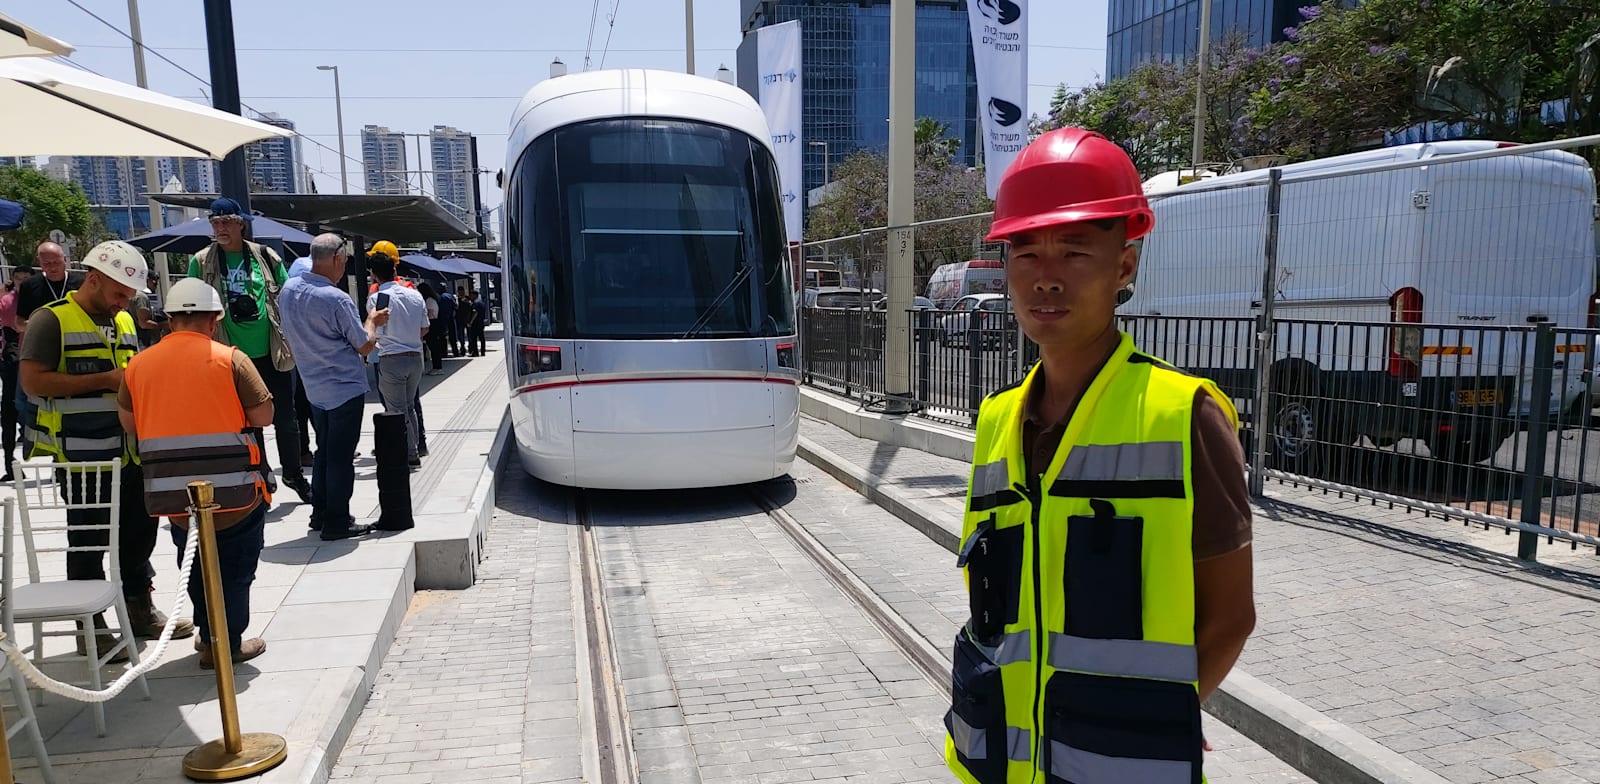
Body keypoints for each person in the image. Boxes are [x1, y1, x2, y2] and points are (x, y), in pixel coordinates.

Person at [942, 128, 1255, 784]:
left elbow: (1229, 618)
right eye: (1025, 252)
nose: (1046, 278)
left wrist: (1158, 719)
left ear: (1125, 265)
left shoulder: (1186, 417)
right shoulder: (998, 420)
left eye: (1075, 251)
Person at [20, 240, 196, 653]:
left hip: (131, 451)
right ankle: (90, 627)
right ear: (94, 280)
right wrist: (102, 380)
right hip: (82, 456)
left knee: (138, 534)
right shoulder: (52, 321)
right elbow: (33, 382)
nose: (124, 302)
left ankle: (139, 609)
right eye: (119, 293)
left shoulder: (126, 321)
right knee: (89, 539)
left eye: (130, 296)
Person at [118, 278, 273, 667]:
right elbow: (264, 415)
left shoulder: (137, 365)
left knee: (196, 565)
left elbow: (130, 424)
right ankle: (227, 645)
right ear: (215, 318)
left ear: (169, 320)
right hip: (235, 493)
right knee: (235, 571)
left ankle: (209, 634)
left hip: (174, 497)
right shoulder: (231, 359)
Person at [186, 197, 311, 505]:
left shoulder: (265, 257)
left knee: (286, 417)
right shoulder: (200, 261)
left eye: (226, 222)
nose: (220, 228)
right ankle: (261, 474)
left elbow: (288, 299)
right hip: (228, 356)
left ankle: (293, 473)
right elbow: (190, 307)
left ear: (240, 224)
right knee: (245, 421)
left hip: (272, 352)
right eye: (215, 223)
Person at [277, 234, 388, 541]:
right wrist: (373, 320)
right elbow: (365, 345)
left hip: (313, 385)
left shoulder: (288, 290)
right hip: (343, 387)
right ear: (338, 258)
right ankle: (338, 520)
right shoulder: (335, 298)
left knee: (324, 452)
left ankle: (320, 513)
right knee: (340, 457)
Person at [366, 249, 429, 468]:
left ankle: (410, 453)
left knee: (396, 408)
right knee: (409, 405)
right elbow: (424, 328)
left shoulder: (376, 299)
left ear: (374, 274)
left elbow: (374, 333)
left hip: (391, 357)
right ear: (395, 269)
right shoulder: (414, 294)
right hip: (415, 356)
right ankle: (415, 446)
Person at [1, 265, 34, 480]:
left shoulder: (38, 297)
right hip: (12, 361)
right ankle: (10, 462)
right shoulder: (6, 303)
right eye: (18, 278)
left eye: (26, 279)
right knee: (11, 409)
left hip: (36, 359)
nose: (21, 282)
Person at [419, 282, 447, 375]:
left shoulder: (429, 300)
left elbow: (429, 314)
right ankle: (436, 366)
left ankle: (437, 367)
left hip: (432, 324)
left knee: (434, 347)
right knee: (433, 347)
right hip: (434, 324)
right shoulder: (432, 299)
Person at [435, 285, 459, 358]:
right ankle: (455, 352)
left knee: (443, 336)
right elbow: (456, 306)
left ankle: (444, 353)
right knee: (453, 336)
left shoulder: (438, 297)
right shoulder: (450, 296)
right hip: (451, 318)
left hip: (441, 319)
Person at [455, 287, 475, 356]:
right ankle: (462, 347)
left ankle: (470, 347)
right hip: (459, 319)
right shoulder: (456, 299)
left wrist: (466, 301)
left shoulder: (467, 298)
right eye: (459, 292)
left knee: (470, 334)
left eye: (462, 291)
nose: (461, 293)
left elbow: (471, 305)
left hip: (467, 319)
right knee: (461, 335)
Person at [467, 290, 488, 356]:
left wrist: (470, 322)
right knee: (481, 337)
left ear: (475, 295)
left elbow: (475, 312)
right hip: (481, 322)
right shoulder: (481, 302)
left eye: (471, 295)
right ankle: (483, 351)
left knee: (474, 338)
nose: (470, 296)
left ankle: (475, 352)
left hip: (475, 323)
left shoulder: (475, 303)